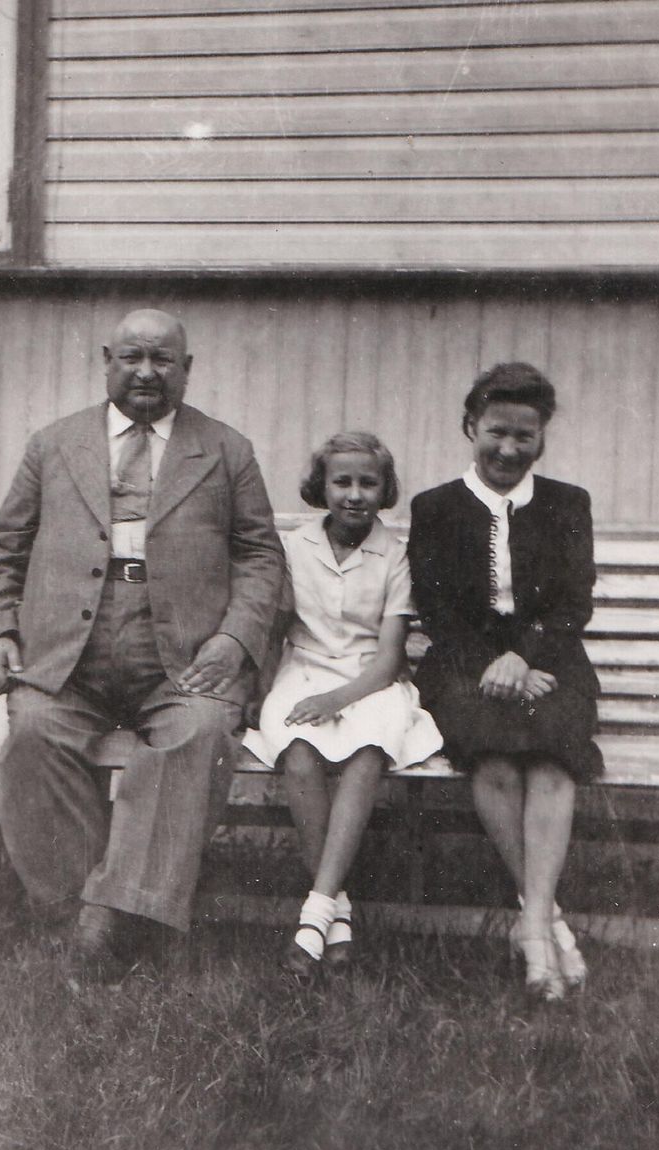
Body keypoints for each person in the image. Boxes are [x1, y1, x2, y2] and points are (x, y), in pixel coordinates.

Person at [0, 308, 285, 977]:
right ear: (108, 359)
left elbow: (261, 558)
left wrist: (234, 639)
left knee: (197, 732)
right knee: (33, 733)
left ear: (187, 369)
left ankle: (109, 919)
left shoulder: (226, 450)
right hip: (68, 659)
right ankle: (77, 904)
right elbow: (4, 549)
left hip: (180, 660)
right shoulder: (54, 445)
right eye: (134, 357)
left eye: (163, 360)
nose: (147, 372)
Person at [408, 362, 602, 1001]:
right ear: (470, 426)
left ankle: (532, 923)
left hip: (552, 660)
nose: (509, 449)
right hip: (464, 662)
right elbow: (437, 608)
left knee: (551, 759)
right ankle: (546, 927)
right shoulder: (435, 507)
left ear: (543, 436)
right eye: (496, 432)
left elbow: (572, 603)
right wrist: (491, 662)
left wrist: (525, 656)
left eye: (526, 436)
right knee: (492, 755)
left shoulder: (568, 504)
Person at [244, 432, 442, 979]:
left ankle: (315, 914)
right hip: (302, 669)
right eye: (342, 482)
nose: (354, 494)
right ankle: (339, 911)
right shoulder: (292, 546)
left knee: (369, 748)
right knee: (298, 749)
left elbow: (387, 660)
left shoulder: (395, 555)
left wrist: (337, 700)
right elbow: (276, 628)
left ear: (384, 491)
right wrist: (261, 691)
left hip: (369, 679)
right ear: (321, 486)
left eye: (367, 483)